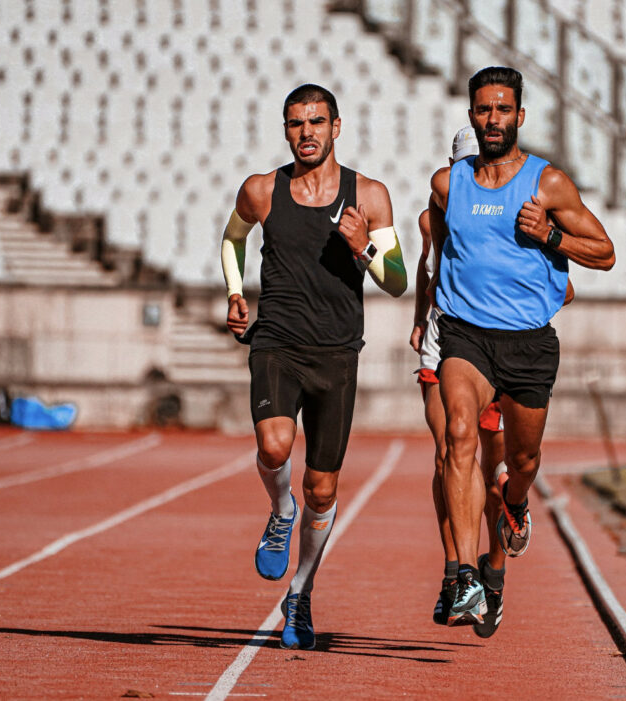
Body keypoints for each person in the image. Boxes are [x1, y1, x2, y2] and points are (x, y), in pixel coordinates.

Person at [222, 83, 407, 650]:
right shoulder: (261, 190)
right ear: (285, 130)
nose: (307, 133)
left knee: (323, 490)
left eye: (317, 122)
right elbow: (232, 240)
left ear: (336, 126)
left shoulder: (369, 196)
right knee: (274, 448)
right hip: (276, 341)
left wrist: (364, 248)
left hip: (337, 353)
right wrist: (235, 292)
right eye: (297, 123)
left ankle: (299, 595)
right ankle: (281, 509)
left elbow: (398, 282)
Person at [428, 67, 614, 626]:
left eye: (503, 109)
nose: (493, 119)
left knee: (521, 461)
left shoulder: (546, 183)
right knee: (459, 433)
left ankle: (512, 504)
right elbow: (439, 255)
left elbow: (604, 253)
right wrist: (425, 316)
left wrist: (549, 236)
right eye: (483, 110)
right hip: (466, 335)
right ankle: (461, 575)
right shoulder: (446, 184)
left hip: (528, 343)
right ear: (471, 117)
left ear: (520, 116)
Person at [411, 126, 576, 637]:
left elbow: (565, 287)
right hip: (453, 338)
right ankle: (456, 575)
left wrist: (519, 293)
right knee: (450, 453)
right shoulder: (435, 211)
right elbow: (428, 267)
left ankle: (495, 572)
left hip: (509, 342)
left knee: (498, 468)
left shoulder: (517, 205)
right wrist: (422, 318)